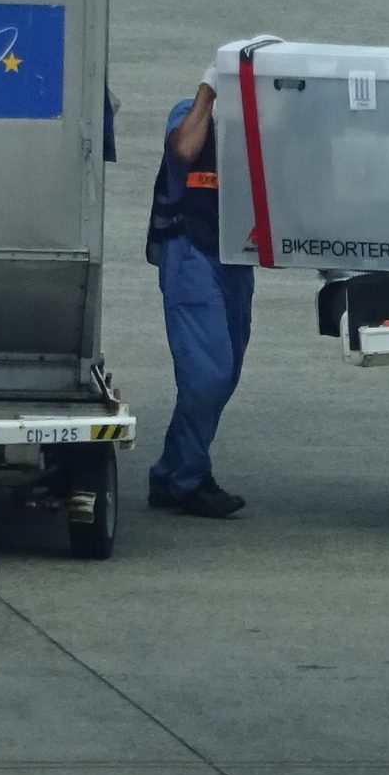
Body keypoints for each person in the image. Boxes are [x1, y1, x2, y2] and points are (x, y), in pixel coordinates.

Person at [144, 78, 252, 518]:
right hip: (190, 251)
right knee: (207, 375)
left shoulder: (260, 128)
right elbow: (183, 150)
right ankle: (190, 478)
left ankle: (170, 473)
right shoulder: (188, 114)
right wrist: (207, 94)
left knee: (224, 376)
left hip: (234, 259)